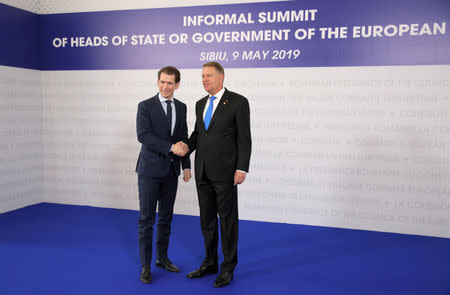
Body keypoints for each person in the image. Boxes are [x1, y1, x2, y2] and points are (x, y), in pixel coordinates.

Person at [184, 62, 252, 287]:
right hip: (202, 170)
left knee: (228, 221)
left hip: (226, 173)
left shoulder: (238, 102)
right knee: (207, 220)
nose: (204, 79)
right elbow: (198, 134)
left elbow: (244, 138)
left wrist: (242, 168)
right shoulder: (200, 103)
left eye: (209, 76)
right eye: (202, 76)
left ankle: (228, 267)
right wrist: (186, 147)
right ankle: (210, 262)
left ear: (221, 77)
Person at [135, 66, 191, 284]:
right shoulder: (145, 106)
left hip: (171, 172)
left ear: (177, 84)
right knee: (146, 219)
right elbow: (143, 136)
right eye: (162, 82)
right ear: (157, 82)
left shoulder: (182, 107)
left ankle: (162, 258)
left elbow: (183, 138)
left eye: (170, 83)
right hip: (149, 171)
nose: (166, 86)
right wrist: (170, 148)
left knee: (166, 218)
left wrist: (186, 165)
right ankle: (146, 266)